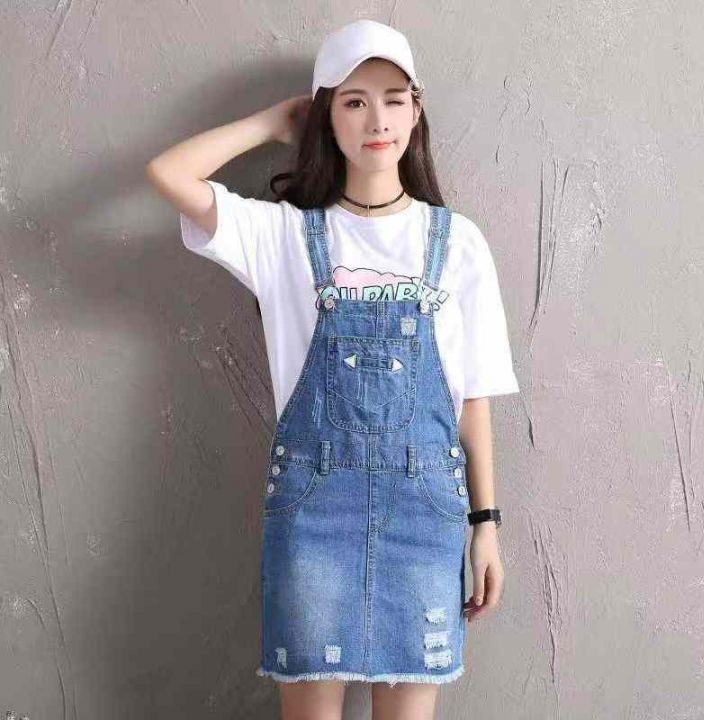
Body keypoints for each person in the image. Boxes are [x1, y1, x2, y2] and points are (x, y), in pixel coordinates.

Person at [146, 18, 520, 720]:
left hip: (426, 516)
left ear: (417, 110)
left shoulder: (459, 243)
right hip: (314, 516)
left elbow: (472, 400)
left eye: (394, 99)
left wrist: (486, 525)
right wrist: (270, 123)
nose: (378, 120)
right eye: (353, 101)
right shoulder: (284, 233)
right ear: (326, 116)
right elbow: (168, 174)